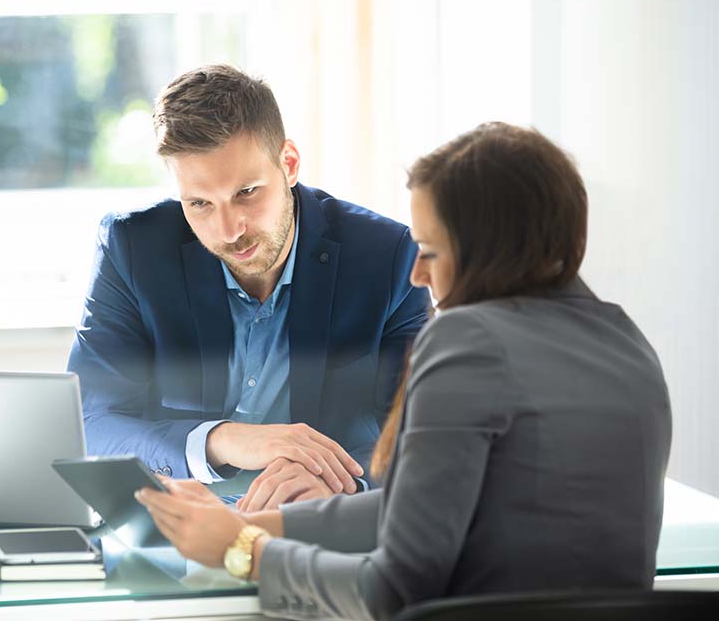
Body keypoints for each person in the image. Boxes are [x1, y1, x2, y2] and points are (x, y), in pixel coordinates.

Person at [135, 122, 672, 618]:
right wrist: (249, 524)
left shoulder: (468, 339)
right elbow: (413, 510)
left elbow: (394, 591)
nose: (416, 275)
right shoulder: (627, 344)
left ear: (492, 252)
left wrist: (241, 549)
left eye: (431, 253)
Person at [68, 65, 430, 507]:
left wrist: (346, 485)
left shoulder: (387, 256)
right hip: (174, 526)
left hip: (316, 524)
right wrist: (220, 441)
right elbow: (92, 420)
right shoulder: (133, 249)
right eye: (199, 203)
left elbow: (421, 430)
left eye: (247, 192)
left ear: (289, 164)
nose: (228, 230)